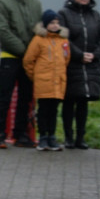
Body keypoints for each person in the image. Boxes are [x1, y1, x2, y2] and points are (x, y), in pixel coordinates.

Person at [0, 0, 42, 149]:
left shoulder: (35, 3)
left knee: (25, 96)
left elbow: (38, 28)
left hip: (28, 59)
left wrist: (33, 52)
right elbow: (3, 30)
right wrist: (23, 50)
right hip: (10, 56)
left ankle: (21, 134)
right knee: (5, 96)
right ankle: (0, 133)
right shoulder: (3, 2)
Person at [58, 0, 100, 149]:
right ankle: (68, 137)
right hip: (72, 64)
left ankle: (80, 137)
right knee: (69, 101)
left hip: (90, 65)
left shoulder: (96, 16)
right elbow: (63, 38)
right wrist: (78, 54)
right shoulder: (64, 14)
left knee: (84, 101)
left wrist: (96, 54)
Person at [23, 10, 70, 152]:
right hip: (43, 82)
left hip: (58, 82)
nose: (55, 26)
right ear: (45, 24)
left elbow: (66, 59)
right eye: (51, 23)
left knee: (54, 111)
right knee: (43, 110)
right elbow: (28, 60)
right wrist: (36, 76)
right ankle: (43, 136)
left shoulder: (63, 40)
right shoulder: (38, 40)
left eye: (57, 23)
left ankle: (52, 136)